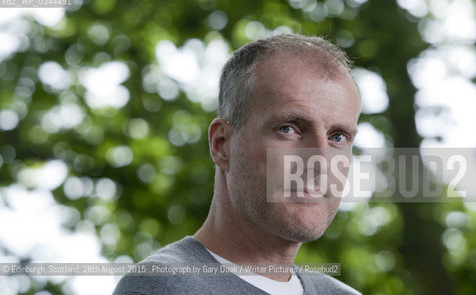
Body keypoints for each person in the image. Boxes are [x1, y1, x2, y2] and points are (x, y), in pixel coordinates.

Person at [113, 34, 362, 294]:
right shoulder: (163, 287)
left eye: (338, 137)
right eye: (288, 129)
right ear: (222, 145)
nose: (320, 163)